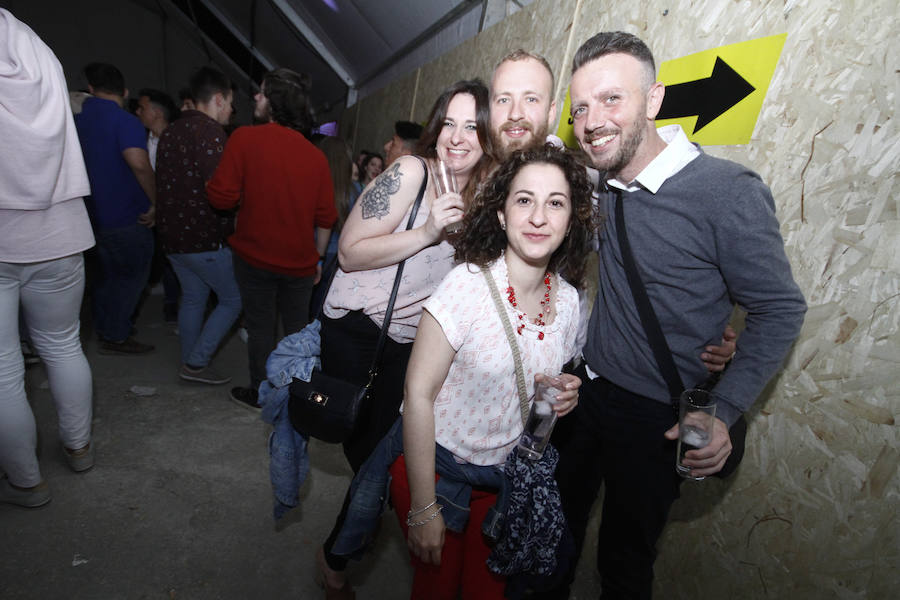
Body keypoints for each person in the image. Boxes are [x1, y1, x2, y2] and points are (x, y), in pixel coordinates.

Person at [549, 32, 807, 599]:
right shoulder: (598, 182)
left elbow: (780, 307)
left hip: (658, 418)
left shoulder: (725, 192)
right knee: (551, 539)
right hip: (587, 397)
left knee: (625, 563)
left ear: (654, 100)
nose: (592, 120)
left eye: (612, 99)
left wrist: (726, 407)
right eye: (582, 107)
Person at [314, 79, 510, 599]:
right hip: (360, 333)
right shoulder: (411, 172)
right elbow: (350, 252)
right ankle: (338, 553)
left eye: (473, 125)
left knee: (390, 460)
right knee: (378, 461)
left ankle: (342, 547)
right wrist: (427, 232)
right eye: (450, 122)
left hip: (412, 342)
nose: (458, 136)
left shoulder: (484, 193)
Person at [394, 145, 596, 599]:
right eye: (524, 200)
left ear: (570, 221)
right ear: (502, 215)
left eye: (555, 203)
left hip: (506, 479)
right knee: (436, 591)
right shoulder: (465, 285)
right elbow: (417, 394)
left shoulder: (566, 301)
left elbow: (533, 383)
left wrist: (562, 394)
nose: (539, 217)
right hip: (438, 474)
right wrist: (424, 509)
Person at [0, 8, 96, 507]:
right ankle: (78, 447)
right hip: (60, 230)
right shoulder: (35, 45)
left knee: (2, 369)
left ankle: (26, 481)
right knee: (62, 345)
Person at [207, 67, 336, 409]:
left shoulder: (244, 139)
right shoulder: (316, 157)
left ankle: (261, 394)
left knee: (260, 329)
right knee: (297, 331)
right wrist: (319, 259)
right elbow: (326, 218)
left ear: (275, 100)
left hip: (253, 259)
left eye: (262, 92)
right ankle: (298, 396)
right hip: (299, 265)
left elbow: (220, 197)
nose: (256, 98)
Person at [156, 66, 241, 385]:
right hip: (202, 238)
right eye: (231, 102)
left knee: (193, 297)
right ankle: (196, 362)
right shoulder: (209, 132)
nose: (232, 110)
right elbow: (220, 191)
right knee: (234, 299)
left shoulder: (171, 131)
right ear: (218, 99)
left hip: (172, 237)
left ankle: (190, 362)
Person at [74, 62, 156, 354]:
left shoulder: (76, 121)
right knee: (132, 276)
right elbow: (138, 163)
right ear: (124, 91)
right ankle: (116, 334)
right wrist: (156, 201)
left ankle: (106, 327)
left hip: (90, 215)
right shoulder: (126, 122)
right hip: (125, 215)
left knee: (105, 276)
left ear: (91, 89)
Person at [308, 136, 356, 318]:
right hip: (339, 258)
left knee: (306, 304)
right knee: (323, 305)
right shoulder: (356, 191)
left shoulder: (313, 188)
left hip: (314, 251)